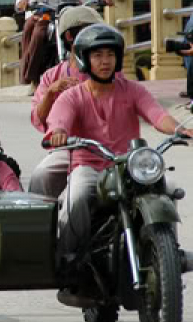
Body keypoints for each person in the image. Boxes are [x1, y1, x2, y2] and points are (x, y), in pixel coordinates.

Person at [46, 24, 193, 263]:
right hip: (90, 167)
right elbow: (59, 120)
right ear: (84, 59)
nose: (105, 61)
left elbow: (156, 114)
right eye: (97, 55)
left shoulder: (132, 90)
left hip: (128, 168)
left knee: (168, 188)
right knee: (77, 195)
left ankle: (169, 256)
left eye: (110, 55)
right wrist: (59, 132)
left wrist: (179, 129)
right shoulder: (72, 96)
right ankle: (70, 256)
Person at [28, 6, 105, 198]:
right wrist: (50, 93)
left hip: (107, 146)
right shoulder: (51, 76)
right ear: (70, 37)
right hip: (68, 148)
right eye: (88, 32)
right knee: (41, 175)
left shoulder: (108, 70)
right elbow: (38, 119)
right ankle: (46, 225)